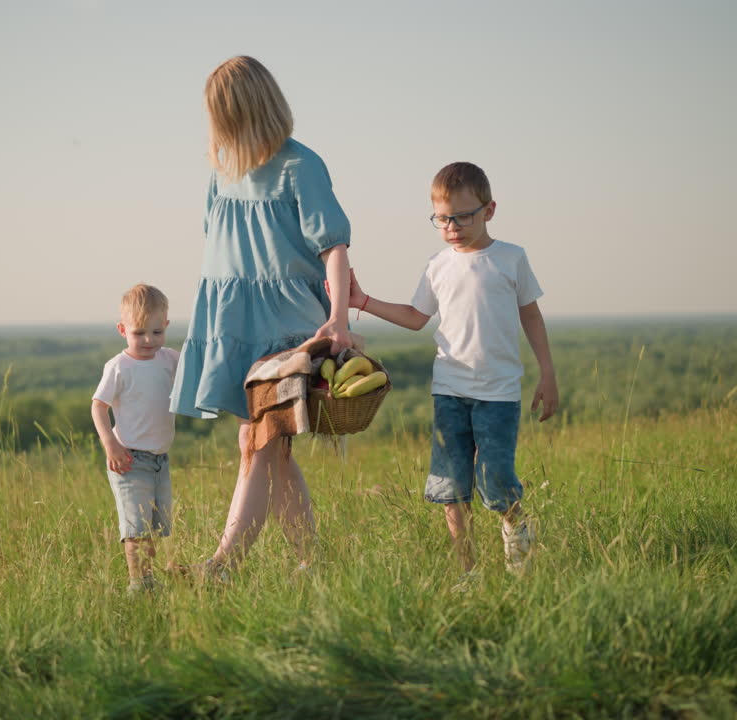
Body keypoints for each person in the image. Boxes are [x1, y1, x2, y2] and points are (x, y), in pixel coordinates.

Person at [170, 56, 353, 577]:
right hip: (234, 324)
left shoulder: (301, 165)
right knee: (264, 445)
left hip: (285, 325)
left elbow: (334, 246)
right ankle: (311, 563)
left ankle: (223, 563)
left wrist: (338, 319)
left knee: (261, 441)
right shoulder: (221, 173)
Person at [347, 162, 558, 580]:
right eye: (442, 219)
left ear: (490, 209)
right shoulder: (437, 264)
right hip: (449, 389)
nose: (454, 226)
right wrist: (362, 300)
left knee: (496, 480)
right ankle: (469, 570)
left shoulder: (511, 258)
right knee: (450, 487)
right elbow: (414, 316)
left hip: (499, 392)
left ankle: (518, 540)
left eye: (464, 216)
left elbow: (531, 317)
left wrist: (547, 373)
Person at [92, 284, 181, 593]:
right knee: (135, 529)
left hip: (160, 460)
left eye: (156, 332)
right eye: (139, 332)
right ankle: (138, 587)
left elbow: (197, 371)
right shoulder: (119, 367)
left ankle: (150, 581)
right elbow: (98, 407)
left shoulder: (169, 359)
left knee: (152, 529)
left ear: (166, 326)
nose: (148, 340)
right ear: (122, 329)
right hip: (128, 459)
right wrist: (110, 444)